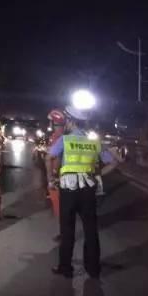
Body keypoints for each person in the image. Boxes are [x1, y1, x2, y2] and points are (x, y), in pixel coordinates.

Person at [48, 106, 118, 279]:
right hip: (88, 189)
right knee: (90, 229)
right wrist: (96, 175)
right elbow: (113, 162)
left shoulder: (64, 140)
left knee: (67, 229)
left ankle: (66, 268)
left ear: (70, 121)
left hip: (69, 190)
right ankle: (93, 269)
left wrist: (51, 178)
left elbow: (49, 157)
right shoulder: (94, 142)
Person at [45, 109, 67, 220]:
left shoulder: (57, 136)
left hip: (58, 174)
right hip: (67, 173)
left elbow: (56, 157)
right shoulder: (66, 134)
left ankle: (63, 231)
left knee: (57, 203)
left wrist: (51, 177)